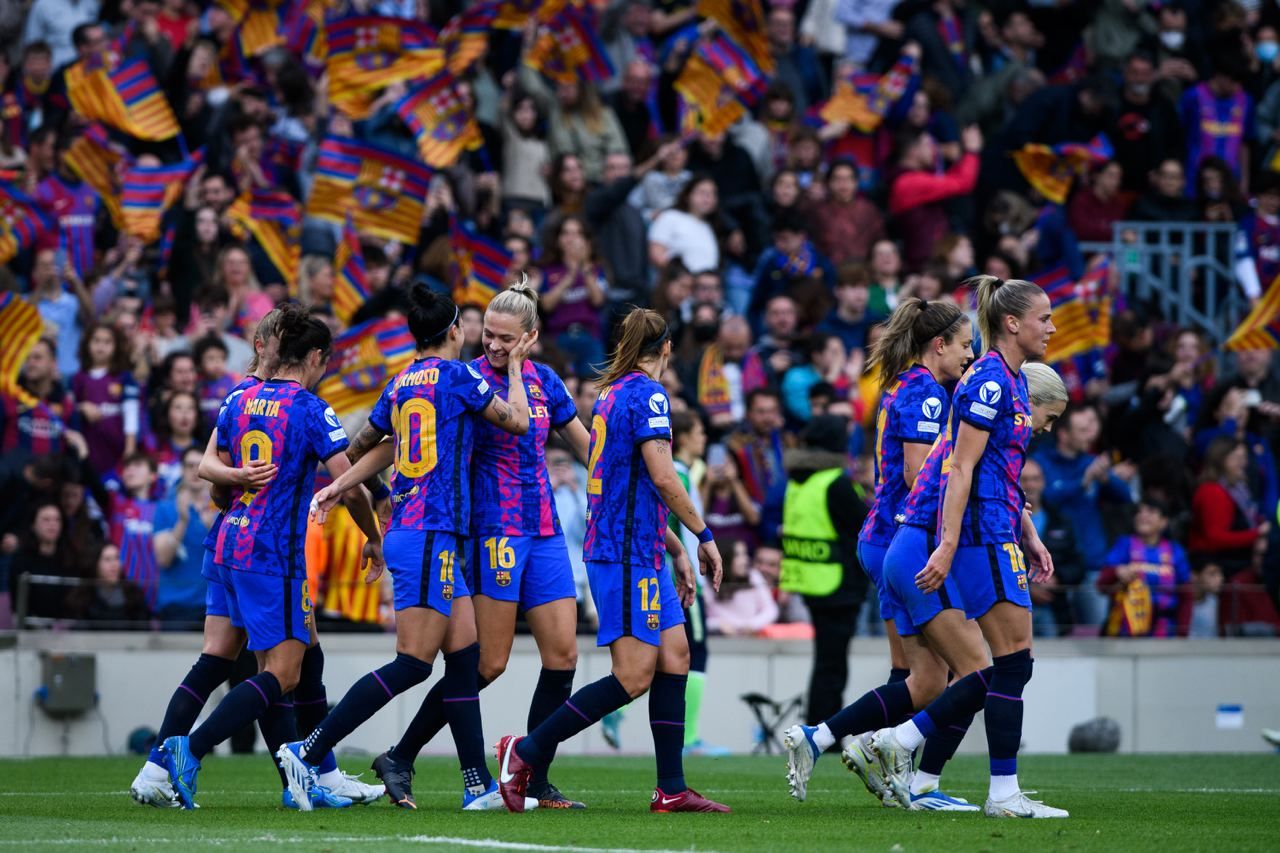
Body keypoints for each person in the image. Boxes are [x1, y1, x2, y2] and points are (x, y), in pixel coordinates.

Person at [282, 286, 535, 811]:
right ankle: (307, 752)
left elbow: (371, 445)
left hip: (422, 531)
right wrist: (515, 368)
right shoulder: (461, 377)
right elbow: (519, 421)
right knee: (414, 664)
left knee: (464, 658)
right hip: (429, 533)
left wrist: (338, 482)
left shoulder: (399, 384)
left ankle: (477, 787)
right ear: (454, 331)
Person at [362, 282, 592, 811]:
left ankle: (533, 776)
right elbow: (404, 442)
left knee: (563, 657)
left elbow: (585, 447)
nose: (492, 344)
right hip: (494, 531)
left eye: (505, 338)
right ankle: (402, 754)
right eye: (486, 333)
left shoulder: (546, 381)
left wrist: (628, 479)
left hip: (545, 529)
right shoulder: (463, 381)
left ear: (530, 337)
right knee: (488, 665)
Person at [494, 308, 729, 814]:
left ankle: (671, 788)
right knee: (633, 675)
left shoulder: (612, 394)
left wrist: (672, 548)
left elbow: (630, 486)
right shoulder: (648, 395)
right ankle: (525, 752)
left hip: (640, 548)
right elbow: (665, 478)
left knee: (676, 657)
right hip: (622, 555)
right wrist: (703, 537)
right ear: (666, 347)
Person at [157, 307, 385, 810]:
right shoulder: (309, 408)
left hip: (231, 544)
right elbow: (346, 485)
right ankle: (187, 751)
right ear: (317, 357)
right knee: (282, 672)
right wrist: (373, 536)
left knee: (298, 657)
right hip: (272, 552)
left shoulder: (241, 399)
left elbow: (213, 474)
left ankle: (308, 776)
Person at [874, 276, 1071, 820]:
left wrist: (1026, 533)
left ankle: (916, 746)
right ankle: (987, 785)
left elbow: (997, 472)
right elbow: (958, 467)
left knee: (1011, 665)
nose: (1051, 327)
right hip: (981, 535)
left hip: (996, 531)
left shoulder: (1004, 380)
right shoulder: (988, 382)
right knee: (1011, 663)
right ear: (1012, 323)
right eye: (1044, 317)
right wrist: (949, 542)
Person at [782, 296, 975, 808]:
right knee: (964, 673)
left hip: (881, 538)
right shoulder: (929, 394)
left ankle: (831, 744)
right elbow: (919, 476)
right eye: (964, 345)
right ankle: (911, 777)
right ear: (939, 345)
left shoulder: (901, 387)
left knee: (915, 676)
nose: (969, 356)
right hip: (903, 541)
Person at [773, 414, 868, 727]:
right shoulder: (836, 483)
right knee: (832, 666)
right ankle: (824, 732)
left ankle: (820, 726)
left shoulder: (798, 481)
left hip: (813, 583)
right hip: (838, 586)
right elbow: (864, 524)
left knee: (827, 662)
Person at [1097, 497, 1193, 638]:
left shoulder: (1175, 550)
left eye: (1151, 511)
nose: (1143, 515)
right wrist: (1117, 572)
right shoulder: (1124, 544)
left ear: (1163, 522)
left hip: (1166, 632)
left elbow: (1186, 594)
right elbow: (1101, 584)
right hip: (1126, 631)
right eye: (1139, 511)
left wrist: (1182, 633)